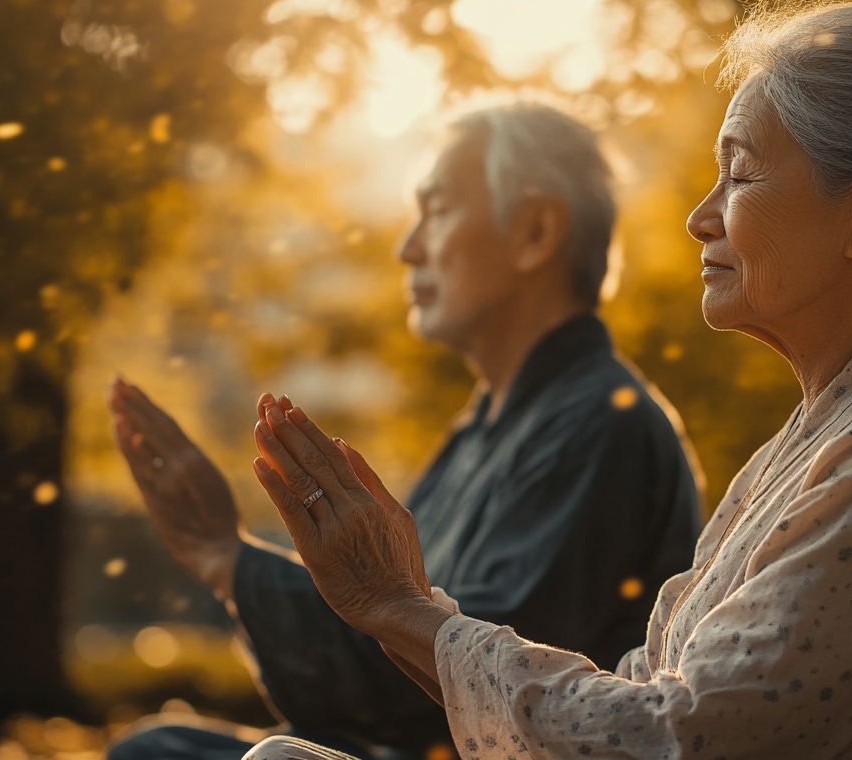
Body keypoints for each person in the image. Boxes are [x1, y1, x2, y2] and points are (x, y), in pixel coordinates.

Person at [240, 0, 852, 760]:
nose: (700, 216)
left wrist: (401, 607)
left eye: (742, 170)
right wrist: (401, 608)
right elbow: (643, 700)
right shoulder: (838, 428)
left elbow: (677, 742)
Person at [107, 102, 705, 760]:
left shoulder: (602, 422)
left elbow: (454, 680)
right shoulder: (496, 422)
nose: (408, 247)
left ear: (535, 230)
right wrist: (232, 561)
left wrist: (228, 558)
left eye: (439, 208)